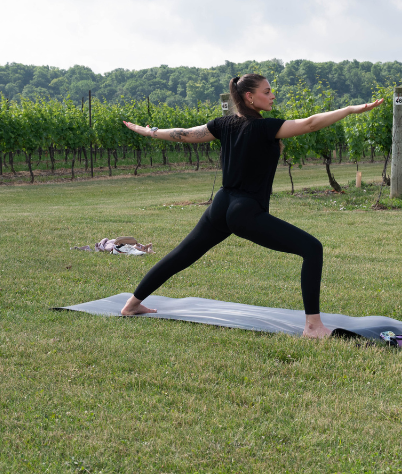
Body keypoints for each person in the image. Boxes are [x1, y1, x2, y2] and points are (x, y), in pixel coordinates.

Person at [120, 73, 383, 338]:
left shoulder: (223, 124)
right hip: (244, 210)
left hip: (221, 205)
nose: (272, 96)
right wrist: (350, 109)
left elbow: (185, 135)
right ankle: (313, 327)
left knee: (182, 254)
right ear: (249, 96)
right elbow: (311, 124)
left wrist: (149, 131)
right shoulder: (266, 127)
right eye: (267, 92)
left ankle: (131, 305)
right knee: (312, 248)